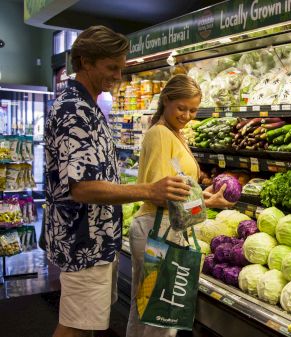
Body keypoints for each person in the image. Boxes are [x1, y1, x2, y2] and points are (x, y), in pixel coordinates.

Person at [44, 26, 191, 337]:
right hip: (83, 241)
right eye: (112, 67)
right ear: (84, 61)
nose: (119, 76)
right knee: (75, 328)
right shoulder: (75, 110)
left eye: (121, 67)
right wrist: (149, 190)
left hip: (95, 240)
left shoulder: (89, 106)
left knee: (85, 326)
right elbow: (82, 187)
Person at [126, 74, 234, 337]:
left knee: (147, 317)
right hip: (160, 232)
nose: (187, 115)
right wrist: (203, 203)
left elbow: (176, 191)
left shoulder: (174, 133)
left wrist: (206, 198)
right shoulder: (161, 134)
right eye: (181, 108)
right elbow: (159, 194)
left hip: (163, 229)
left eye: (193, 110)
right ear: (166, 101)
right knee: (161, 321)